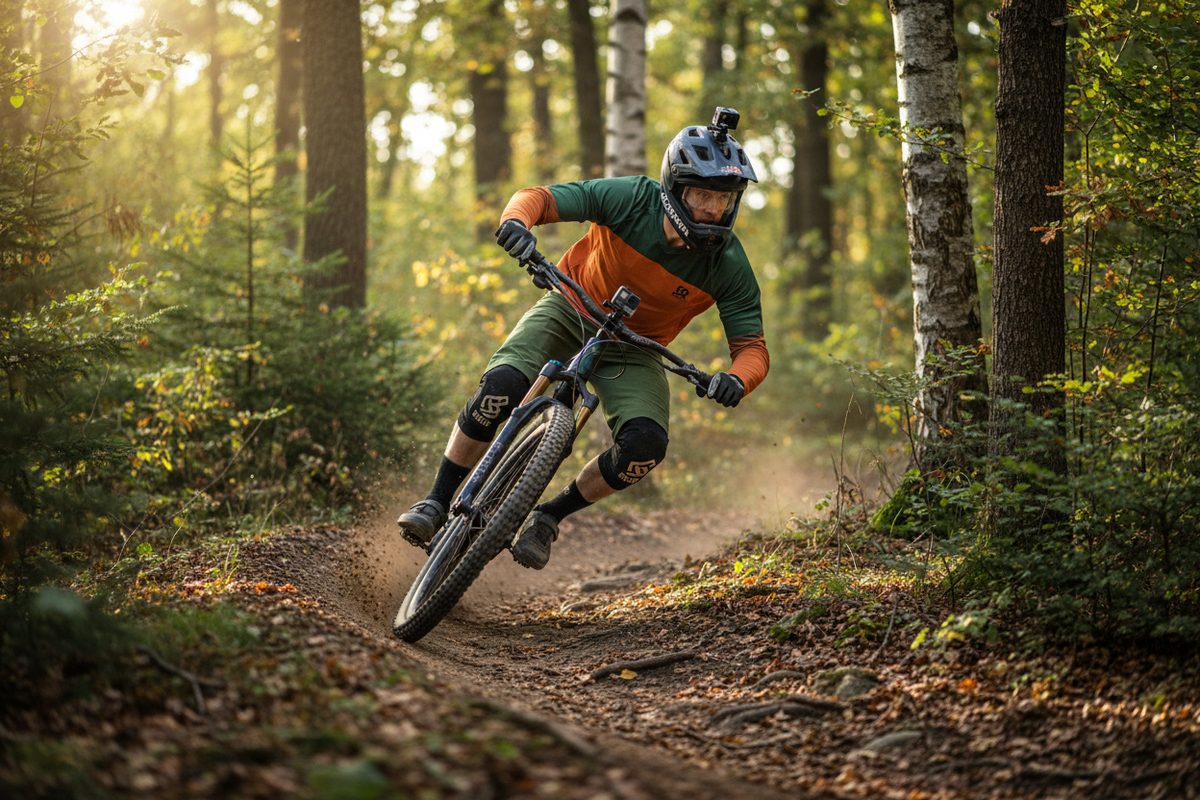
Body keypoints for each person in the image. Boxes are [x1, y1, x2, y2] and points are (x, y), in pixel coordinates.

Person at [398, 107, 770, 570]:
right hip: (569, 308)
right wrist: (517, 222)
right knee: (501, 388)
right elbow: (539, 197)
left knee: (645, 446)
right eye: (702, 196)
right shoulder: (632, 199)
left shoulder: (729, 264)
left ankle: (549, 517)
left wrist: (736, 379)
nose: (714, 210)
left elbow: (752, 350)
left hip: (634, 349)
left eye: (725, 199)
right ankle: (436, 500)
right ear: (675, 188)